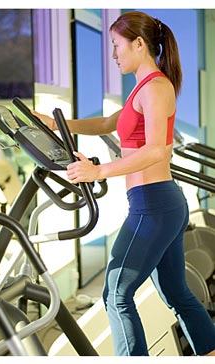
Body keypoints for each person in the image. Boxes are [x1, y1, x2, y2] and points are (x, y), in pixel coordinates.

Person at [32, 11, 215, 356]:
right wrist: (58, 125)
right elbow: (106, 123)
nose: (115, 55)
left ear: (140, 44)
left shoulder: (157, 88)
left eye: (117, 46)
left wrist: (97, 172)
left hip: (154, 204)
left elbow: (156, 150)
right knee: (176, 292)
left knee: (115, 293)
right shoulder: (142, 89)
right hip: (157, 203)